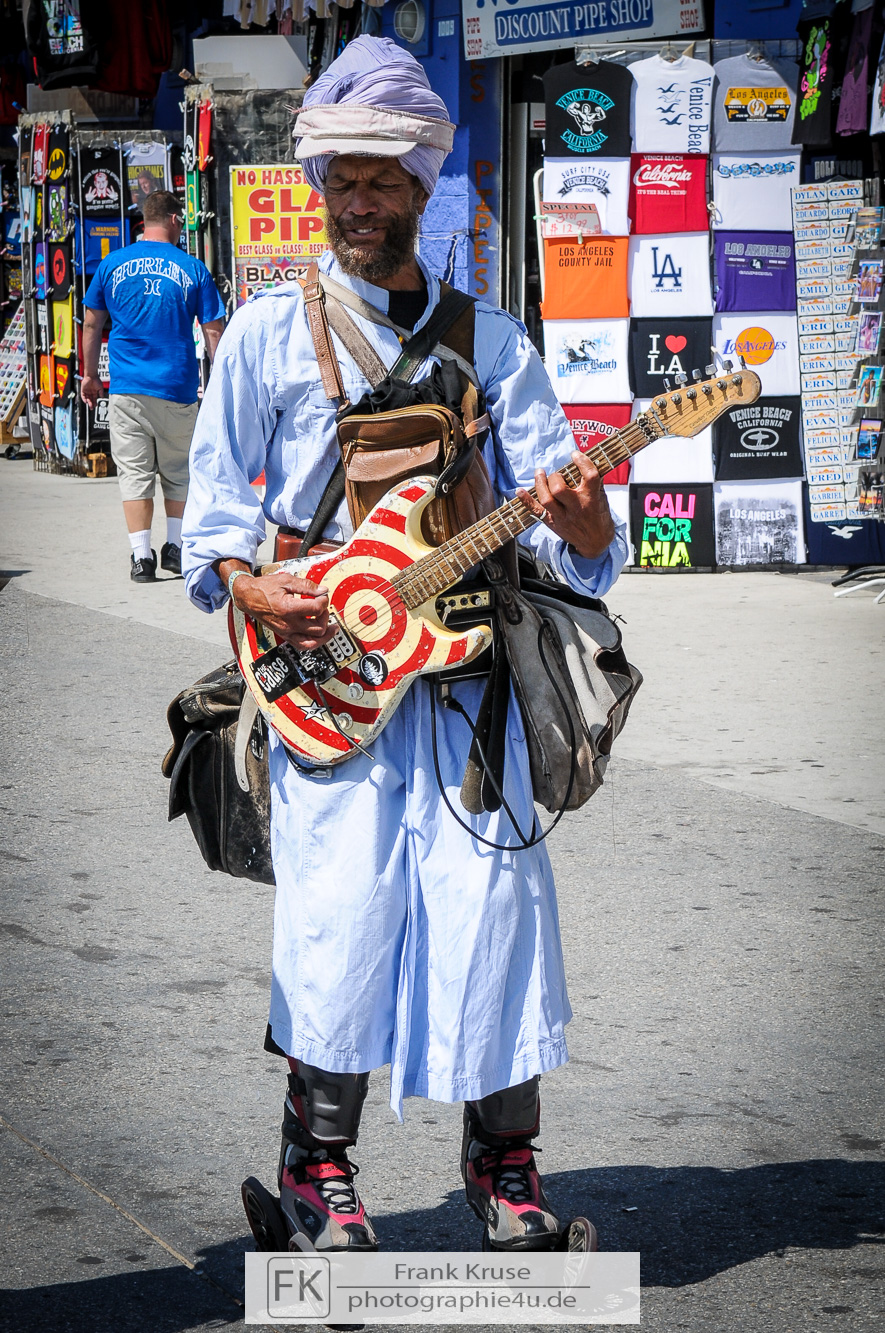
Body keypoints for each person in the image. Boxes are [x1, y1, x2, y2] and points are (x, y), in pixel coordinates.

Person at [181, 36, 628, 1253]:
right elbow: (210, 526)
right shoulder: (267, 335)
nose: (362, 202)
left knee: (496, 910)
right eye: (345, 182)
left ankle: (507, 1171)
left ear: (423, 188)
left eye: (384, 181)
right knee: (339, 917)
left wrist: (587, 518)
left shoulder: (493, 342)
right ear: (319, 186)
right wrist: (252, 587)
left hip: (464, 687)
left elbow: (577, 532)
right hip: (327, 680)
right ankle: (316, 1173)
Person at [81, 190, 226, 582]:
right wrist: (221, 383)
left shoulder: (111, 264)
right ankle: (174, 549)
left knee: (134, 473)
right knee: (179, 471)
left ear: (145, 221)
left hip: (126, 388)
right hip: (176, 387)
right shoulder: (192, 268)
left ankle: (141, 558)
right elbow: (214, 332)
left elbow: (92, 323)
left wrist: (90, 375)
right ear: (175, 220)